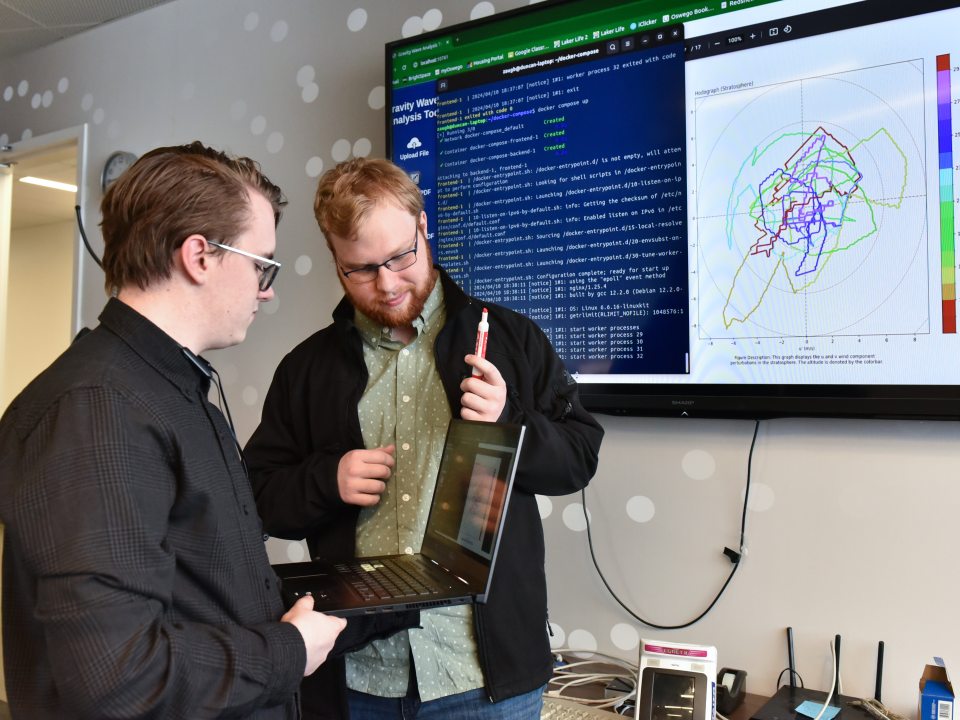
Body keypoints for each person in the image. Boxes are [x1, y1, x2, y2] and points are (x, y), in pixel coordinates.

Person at [244, 157, 605, 719]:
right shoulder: (305, 369)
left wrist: (512, 422)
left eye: (399, 257)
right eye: (359, 269)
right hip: (355, 680)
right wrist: (327, 479)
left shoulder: (511, 338)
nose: (386, 285)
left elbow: (579, 459)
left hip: (486, 681)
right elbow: (258, 497)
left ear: (422, 225)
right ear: (335, 260)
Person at [0, 142, 348, 719]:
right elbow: (116, 676)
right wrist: (287, 650)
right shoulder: (97, 411)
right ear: (200, 256)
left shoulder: (163, 392)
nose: (267, 290)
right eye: (262, 264)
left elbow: (191, 587)